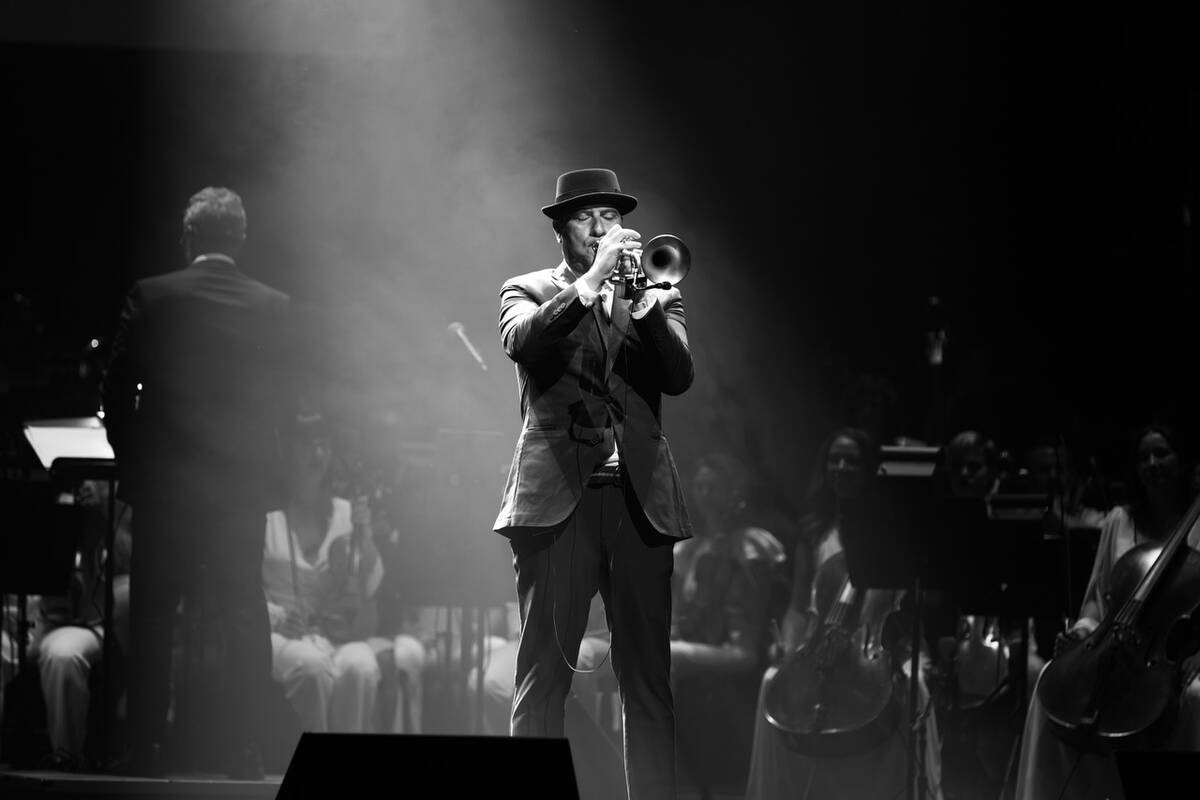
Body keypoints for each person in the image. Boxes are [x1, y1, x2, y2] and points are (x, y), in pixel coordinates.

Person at [492, 167, 694, 800]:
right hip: (558, 503)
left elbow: (679, 376)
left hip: (639, 504)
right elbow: (523, 344)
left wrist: (648, 310)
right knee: (544, 676)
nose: (603, 227)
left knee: (649, 682)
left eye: (612, 216)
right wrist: (590, 282)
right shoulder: (526, 289)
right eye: (587, 217)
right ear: (561, 230)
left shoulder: (658, 294)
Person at [102, 186, 291, 779]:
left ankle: (145, 750)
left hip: (166, 491)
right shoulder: (271, 305)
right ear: (238, 239)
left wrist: (135, 465)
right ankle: (246, 751)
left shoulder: (153, 297)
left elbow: (114, 389)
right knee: (242, 610)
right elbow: (284, 404)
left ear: (188, 239)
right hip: (237, 493)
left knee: (155, 613)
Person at [746, 426, 943, 800]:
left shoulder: (892, 533)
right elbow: (799, 605)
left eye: (851, 460)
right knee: (773, 680)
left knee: (912, 687)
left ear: (869, 470)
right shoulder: (815, 531)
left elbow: (901, 610)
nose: (840, 467)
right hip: (818, 643)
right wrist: (788, 646)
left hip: (878, 646)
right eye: (834, 459)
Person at [1014, 422, 1200, 799]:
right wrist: (1083, 630)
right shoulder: (1120, 520)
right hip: (1109, 646)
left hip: (1177, 655)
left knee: (1194, 699)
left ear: (1181, 461)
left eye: (1161, 453)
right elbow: (1098, 598)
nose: (1152, 463)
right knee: (1050, 680)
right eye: (1143, 456)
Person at [262, 409, 424, 736]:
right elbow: (244, 589)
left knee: (361, 667)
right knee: (311, 668)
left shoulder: (347, 513)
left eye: (323, 444)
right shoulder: (266, 516)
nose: (317, 453)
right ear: (288, 449)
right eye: (308, 444)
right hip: (279, 631)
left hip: (333, 632)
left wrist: (364, 538)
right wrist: (277, 617)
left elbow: (371, 585)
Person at [671, 452, 785, 796]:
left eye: (714, 488)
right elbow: (679, 621)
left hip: (736, 675)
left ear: (735, 493)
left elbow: (744, 651)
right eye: (701, 486)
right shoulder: (689, 549)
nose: (705, 496)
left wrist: (675, 652)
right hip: (695, 679)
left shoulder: (751, 548)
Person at [30, 479, 132, 771]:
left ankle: (67, 757)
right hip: (36, 613)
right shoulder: (43, 489)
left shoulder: (121, 496)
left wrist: (103, 509)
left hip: (87, 619)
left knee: (63, 655)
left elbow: (131, 559)